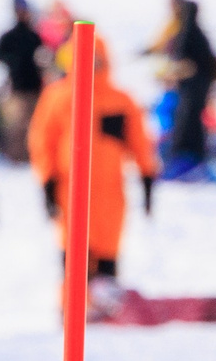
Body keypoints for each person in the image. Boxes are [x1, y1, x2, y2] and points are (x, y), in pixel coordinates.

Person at [29, 33, 158, 285]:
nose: (94, 66)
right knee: (74, 262)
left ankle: (107, 318)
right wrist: (47, 182)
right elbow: (42, 142)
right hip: (71, 191)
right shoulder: (58, 97)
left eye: (98, 60)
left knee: (108, 261)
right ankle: (69, 316)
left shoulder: (121, 100)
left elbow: (141, 143)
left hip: (110, 193)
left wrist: (147, 178)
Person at [148, 0, 216, 179]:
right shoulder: (195, 33)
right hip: (195, 88)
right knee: (188, 120)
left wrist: (176, 73)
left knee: (187, 121)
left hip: (192, 88)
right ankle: (190, 158)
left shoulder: (188, 33)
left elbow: (189, 63)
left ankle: (187, 159)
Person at [0, 0, 47, 164]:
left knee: (34, 125)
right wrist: (13, 63)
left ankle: (30, 155)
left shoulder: (34, 36)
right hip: (16, 88)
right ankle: (16, 157)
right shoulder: (9, 37)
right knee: (16, 126)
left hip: (34, 89)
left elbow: (43, 57)